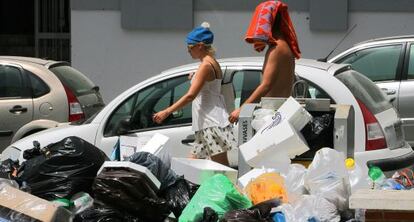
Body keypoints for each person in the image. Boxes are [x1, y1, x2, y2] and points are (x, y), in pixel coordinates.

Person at [152, 22, 236, 166]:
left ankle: (228, 188)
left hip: (211, 123)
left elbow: (191, 95)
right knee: (192, 165)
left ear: (200, 46)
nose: (188, 51)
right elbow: (209, 87)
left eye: (190, 47)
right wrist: (195, 77)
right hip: (207, 122)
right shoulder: (211, 63)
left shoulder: (205, 66)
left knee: (221, 169)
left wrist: (167, 111)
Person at [229, 0, 301, 123]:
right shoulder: (284, 46)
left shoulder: (277, 49)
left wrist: (241, 108)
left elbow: (266, 85)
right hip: (281, 112)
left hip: (274, 114)